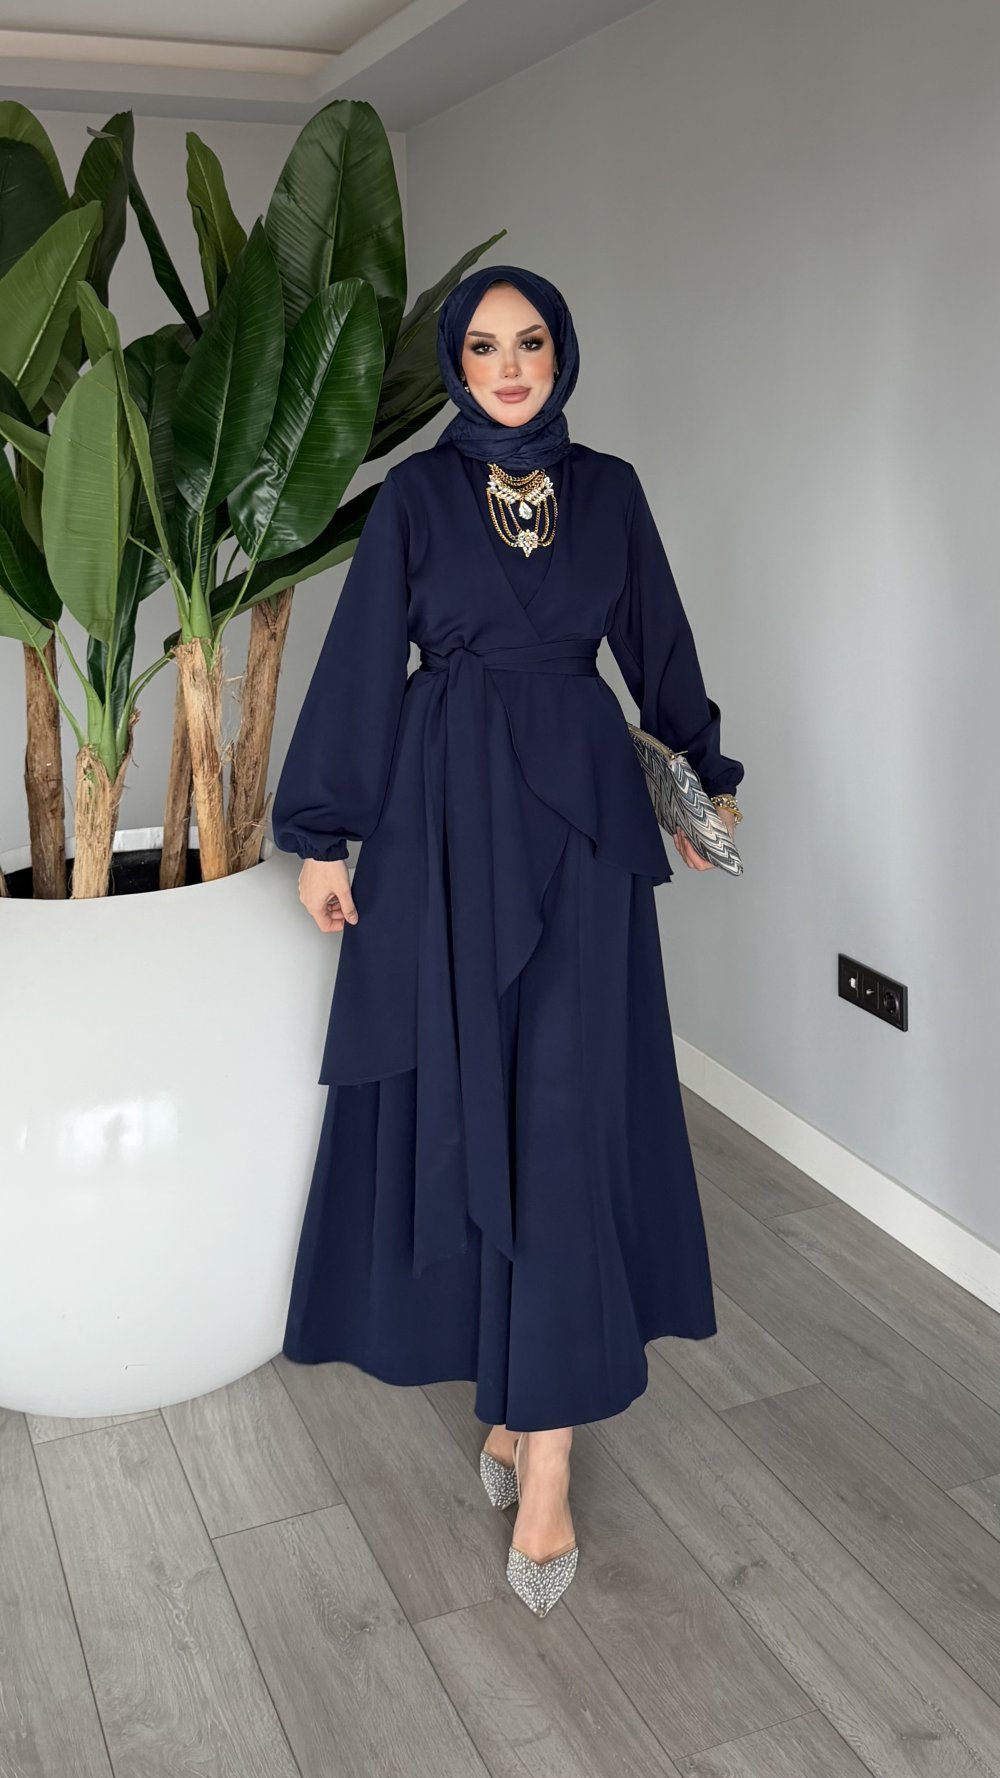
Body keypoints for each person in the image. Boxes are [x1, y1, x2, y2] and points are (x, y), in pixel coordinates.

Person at [271, 264, 744, 1618]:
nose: (512, 365)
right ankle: (514, 1386)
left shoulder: (613, 493)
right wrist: (324, 834)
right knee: (477, 1101)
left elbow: (657, 642)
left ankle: (548, 1452)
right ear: (457, 364)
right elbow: (364, 659)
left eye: (531, 341)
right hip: (445, 816)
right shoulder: (416, 497)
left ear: (562, 352)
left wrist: (707, 778)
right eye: (484, 346)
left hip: (583, 823)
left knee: (567, 1111)